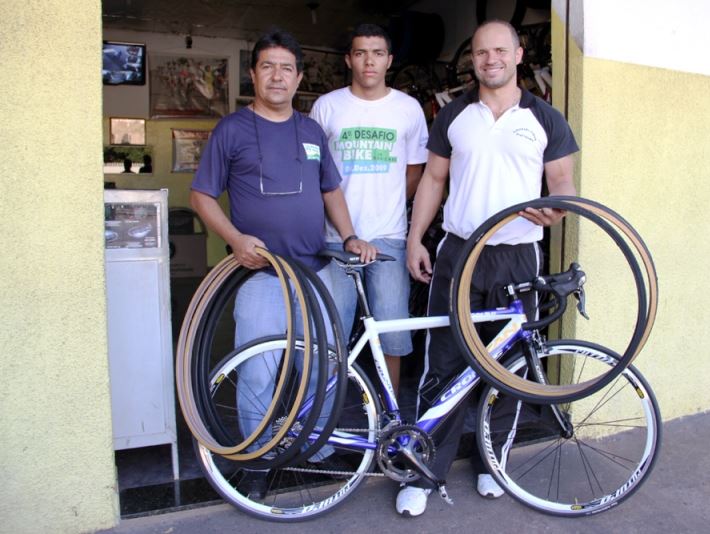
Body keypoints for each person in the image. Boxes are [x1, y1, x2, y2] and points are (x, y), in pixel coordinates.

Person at [399, 20, 580, 517]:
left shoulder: (546, 117)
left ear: (520, 55)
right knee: (444, 362)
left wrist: (556, 208)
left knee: (508, 367)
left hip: (517, 254)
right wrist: (417, 239)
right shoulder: (453, 114)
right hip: (458, 252)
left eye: (500, 50)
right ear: (472, 59)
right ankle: (424, 469)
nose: (490, 59)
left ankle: (490, 463)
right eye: (481, 52)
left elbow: (561, 182)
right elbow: (434, 179)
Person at [190, 28, 376, 473]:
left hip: (315, 273)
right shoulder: (232, 129)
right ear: (253, 74)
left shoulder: (311, 130)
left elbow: (330, 190)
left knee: (323, 366)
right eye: (268, 67)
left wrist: (349, 236)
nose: (277, 76)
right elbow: (201, 196)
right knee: (259, 370)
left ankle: (318, 444)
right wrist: (235, 239)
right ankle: (256, 454)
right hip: (260, 275)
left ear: (298, 78)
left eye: (286, 69)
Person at [309, 23, 428, 395]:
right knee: (331, 335)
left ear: (389, 60)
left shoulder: (408, 109)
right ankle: (325, 418)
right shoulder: (327, 106)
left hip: (389, 237)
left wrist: (385, 204)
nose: (369, 61)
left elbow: (415, 173)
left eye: (377, 53)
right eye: (360, 53)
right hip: (335, 240)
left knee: (393, 333)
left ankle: (390, 413)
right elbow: (314, 174)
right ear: (349, 59)